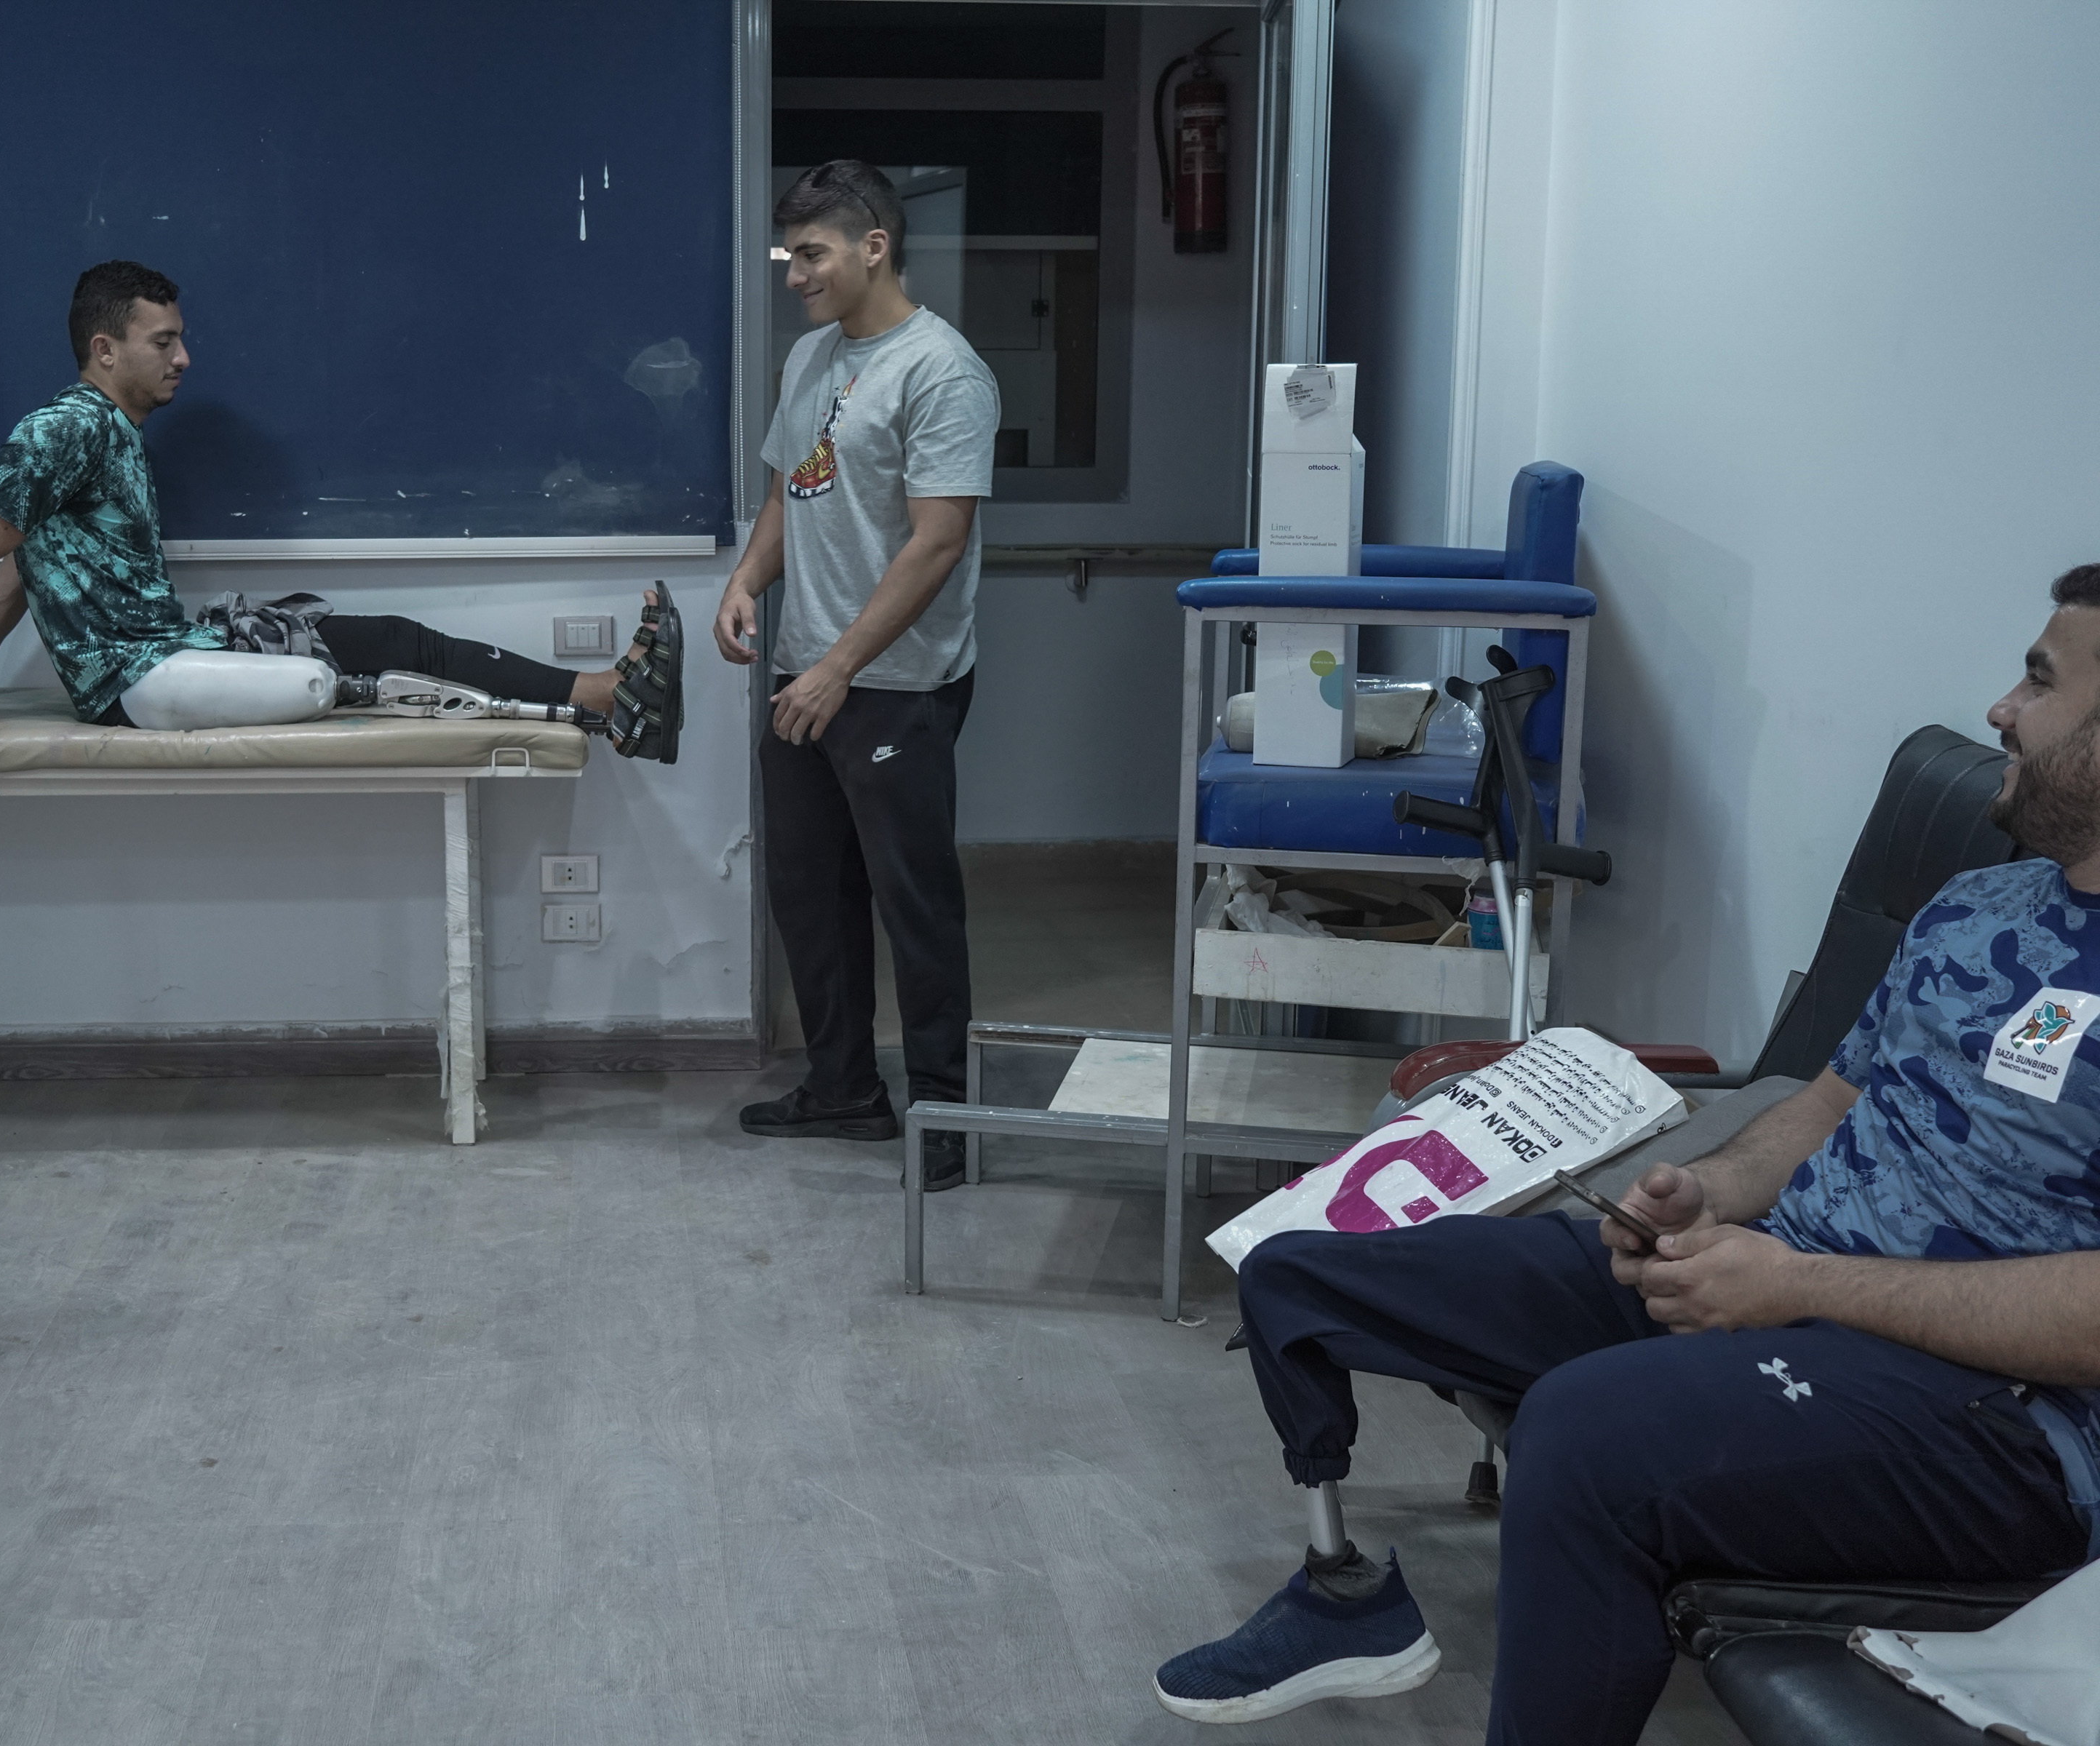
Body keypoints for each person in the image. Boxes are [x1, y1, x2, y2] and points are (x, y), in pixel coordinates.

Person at [1151, 569, 2100, 1742]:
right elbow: (1828, 1102)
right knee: (1303, 1268)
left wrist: (1798, 1284)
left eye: (2040, 683)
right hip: (1784, 1283)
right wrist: (1706, 1194)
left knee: (1582, 1435)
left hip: (1998, 1420)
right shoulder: (1981, 905)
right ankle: (1346, 1593)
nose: (2002, 708)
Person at [0, 260, 682, 784]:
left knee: (395, 637)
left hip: (170, 653)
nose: (183, 358)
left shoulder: (111, 432)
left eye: (180, 339)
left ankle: (603, 692)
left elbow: (19, 571)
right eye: (164, 342)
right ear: (105, 349)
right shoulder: (66, 428)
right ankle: (603, 699)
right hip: (137, 683)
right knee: (332, 679)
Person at [716, 161, 1001, 1191]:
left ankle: (946, 1113)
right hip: (805, 672)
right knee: (808, 893)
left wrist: (841, 666)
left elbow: (938, 541)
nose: (795, 274)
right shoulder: (810, 357)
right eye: (790, 256)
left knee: (912, 902)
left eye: (812, 254)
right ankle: (842, 1088)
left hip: (898, 684)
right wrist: (748, 578)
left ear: (875, 246)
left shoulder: (942, 372)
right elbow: (788, 492)